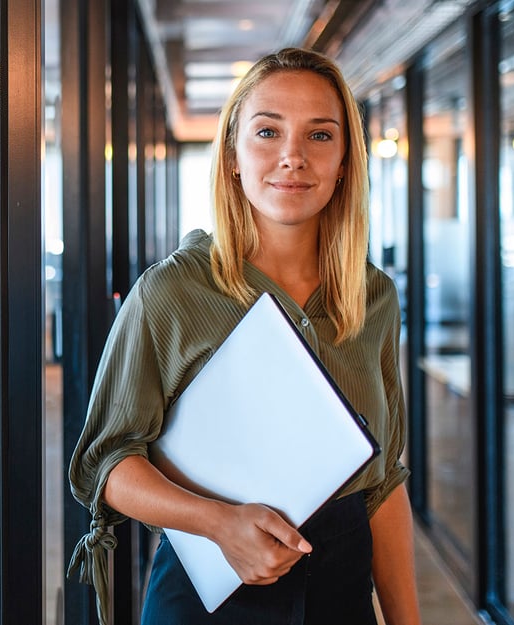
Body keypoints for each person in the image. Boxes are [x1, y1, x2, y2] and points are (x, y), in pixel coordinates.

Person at [67, 47, 421, 624]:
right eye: (267, 131)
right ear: (233, 154)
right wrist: (218, 524)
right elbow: (107, 461)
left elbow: (381, 482)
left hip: (342, 590)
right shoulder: (173, 291)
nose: (293, 157)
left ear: (345, 162)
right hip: (208, 590)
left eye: (320, 136)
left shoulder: (372, 296)